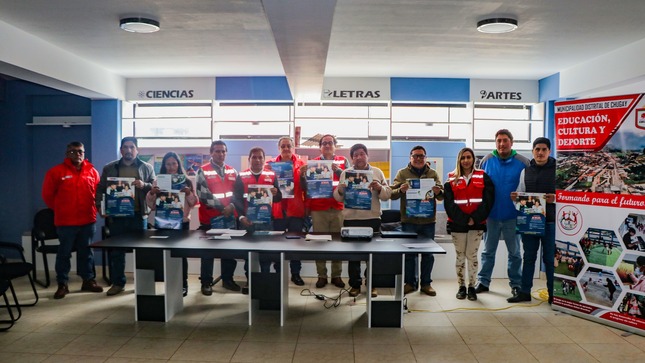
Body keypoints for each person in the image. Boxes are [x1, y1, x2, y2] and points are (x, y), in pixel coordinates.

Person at [42, 141, 104, 299]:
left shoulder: (92, 171)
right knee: (64, 253)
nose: (77, 154)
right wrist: (62, 209)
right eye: (73, 151)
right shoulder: (56, 172)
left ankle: (88, 280)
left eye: (80, 151)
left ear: (84, 153)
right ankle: (62, 284)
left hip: (87, 221)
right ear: (67, 153)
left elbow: (97, 194)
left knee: (86, 252)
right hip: (65, 222)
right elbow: (47, 196)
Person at [96, 137, 155, 296]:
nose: (129, 150)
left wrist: (144, 185)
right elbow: (101, 189)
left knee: (142, 252)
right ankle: (118, 283)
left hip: (138, 216)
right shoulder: (110, 168)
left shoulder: (146, 167)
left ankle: (142, 283)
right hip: (117, 216)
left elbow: (155, 188)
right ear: (121, 150)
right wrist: (100, 207)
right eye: (125, 147)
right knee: (116, 252)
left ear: (137, 150)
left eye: (132, 147)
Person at [475, 129, 529, 300]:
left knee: (515, 253)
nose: (502, 144)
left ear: (511, 142)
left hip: (513, 216)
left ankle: (516, 285)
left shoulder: (523, 162)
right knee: (487, 252)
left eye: (505, 140)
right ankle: (483, 282)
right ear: (495, 142)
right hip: (491, 216)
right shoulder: (487, 160)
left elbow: (530, 189)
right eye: (498, 140)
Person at [333, 144, 391, 297]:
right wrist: (340, 189)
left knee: (373, 255)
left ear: (367, 155)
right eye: (355, 155)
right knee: (353, 256)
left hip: (372, 219)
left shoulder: (377, 172)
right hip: (351, 219)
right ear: (352, 158)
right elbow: (337, 197)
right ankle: (355, 285)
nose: (359, 157)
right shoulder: (345, 173)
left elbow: (386, 195)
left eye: (361, 154)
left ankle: (371, 284)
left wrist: (379, 188)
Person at [508, 137, 556, 303]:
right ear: (533, 151)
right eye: (537, 149)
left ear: (549, 151)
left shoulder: (558, 169)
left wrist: (555, 199)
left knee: (549, 259)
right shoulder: (526, 171)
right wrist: (516, 197)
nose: (540, 152)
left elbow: (569, 197)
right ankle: (524, 292)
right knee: (528, 257)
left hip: (551, 222)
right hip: (530, 222)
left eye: (544, 149)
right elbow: (520, 192)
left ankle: (553, 295)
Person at [391, 145, 443, 296]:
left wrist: (439, 191)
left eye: (421, 156)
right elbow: (392, 194)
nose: (418, 158)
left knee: (428, 255)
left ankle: (426, 284)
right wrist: (401, 190)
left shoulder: (433, 174)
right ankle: (410, 283)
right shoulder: (402, 173)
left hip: (428, 221)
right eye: (415, 156)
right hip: (409, 221)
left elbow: (441, 196)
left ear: (426, 158)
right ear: (410, 158)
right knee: (409, 255)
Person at [443, 147, 495, 301]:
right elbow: (449, 204)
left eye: (468, 157)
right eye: (463, 158)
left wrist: (475, 218)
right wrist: (464, 219)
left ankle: (472, 286)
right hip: (457, 224)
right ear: (459, 160)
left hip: (477, 224)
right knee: (460, 257)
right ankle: (461, 286)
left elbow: (488, 200)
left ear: (473, 159)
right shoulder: (451, 179)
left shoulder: (483, 176)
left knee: (472, 256)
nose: (466, 160)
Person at [145, 151, 198, 297]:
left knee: (182, 255)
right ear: (164, 166)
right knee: (164, 256)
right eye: (168, 164)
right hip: (163, 223)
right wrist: (152, 193)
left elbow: (193, 203)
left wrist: (188, 194)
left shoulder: (186, 181)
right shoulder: (158, 181)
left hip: (181, 223)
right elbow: (152, 206)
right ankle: (168, 284)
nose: (171, 167)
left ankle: (183, 285)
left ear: (178, 164)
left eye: (174, 163)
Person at [302, 134, 350, 289]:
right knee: (319, 243)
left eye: (330, 143)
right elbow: (307, 188)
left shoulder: (343, 161)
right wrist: (303, 175)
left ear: (335, 145)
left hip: (338, 208)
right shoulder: (313, 163)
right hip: (318, 209)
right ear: (320, 146)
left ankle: (336, 275)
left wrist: (338, 171)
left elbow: (351, 181)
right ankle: (321, 275)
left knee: (337, 243)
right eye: (324, 143)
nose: (327, 145)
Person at [234, 147, 282, 294]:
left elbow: (279, 197)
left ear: (264, 159)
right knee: (250, 255)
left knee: (266, 254)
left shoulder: (272, 175)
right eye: (254, 157)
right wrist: (241, 217)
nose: (257, 160)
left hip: (266, 222)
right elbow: (236, 200)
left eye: (260, 157)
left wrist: (276, 192)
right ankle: (250, 282)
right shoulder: (241, 176)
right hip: (248, 222)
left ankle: (265, 280)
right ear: (249, 159)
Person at [196, 140, 240, 295]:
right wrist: (223, 208)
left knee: (229, 252)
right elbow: (203, 195)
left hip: (229, 219)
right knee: (207, 253)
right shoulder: (203, 171)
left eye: (223, 151)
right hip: (210, 219)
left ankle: (228, 280)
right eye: (217, 151)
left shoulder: (232, 171)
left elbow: (238, 194)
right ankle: (206, 282)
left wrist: (232, 206)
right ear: (211, 153)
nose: (220, 154)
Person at [269, 136, 307, 286]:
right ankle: (278, 273)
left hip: (296, 210)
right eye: (283, 146)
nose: (286, 149)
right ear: (279, 148)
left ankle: (295, 273)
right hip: (278, 211)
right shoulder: (270, 165)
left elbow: (307, 189)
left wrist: (304, 175)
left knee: (296, 244)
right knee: (277, 244)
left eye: (288, 146)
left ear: (293, 148)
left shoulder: (302, 165)